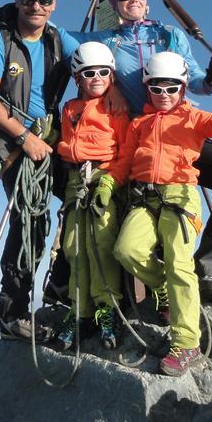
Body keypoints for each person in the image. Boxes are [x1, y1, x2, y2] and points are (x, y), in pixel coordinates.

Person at [61, 0, 212, 305]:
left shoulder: (169, 35)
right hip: (136, 137)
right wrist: (16, 14)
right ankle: (132, 293)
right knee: (122, 217)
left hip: (181, 131)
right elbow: (54, 35)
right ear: (113, 2)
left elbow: (193, 78)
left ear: (148, 0)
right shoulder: (102, 41)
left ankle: (209, 271)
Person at [107, 51, 212, 375]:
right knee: (127, 250)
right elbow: (125, 159)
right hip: (144, 198)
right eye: (156, 88)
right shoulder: (139, 123)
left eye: (171, 88)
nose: (163, 95)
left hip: (179, 196)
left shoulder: (193, 117)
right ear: (147, 88)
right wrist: (109, 182)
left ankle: (186, 343)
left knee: (180, 264)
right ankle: (166, 289)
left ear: (181, 88)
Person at [0, 0, 74, 340]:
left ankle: (61, 285)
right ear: (17, 0)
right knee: (30, 220)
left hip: (48, 138)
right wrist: (25, 137)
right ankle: (14, 313)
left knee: (84, 200)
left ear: (53, 5)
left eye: (44, 1)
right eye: (29, 0)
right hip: (12, 143)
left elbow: (99, 49)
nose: (36, 7)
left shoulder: (57, 39)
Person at [51, 42, 130, 352]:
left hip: (103, 178)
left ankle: (106, 310)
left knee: (101, 243)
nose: (96, 78)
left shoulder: (116, 108)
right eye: (88, 73)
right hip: (76, 181)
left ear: (111, 75)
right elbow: (69, 145)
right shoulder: (70, 108)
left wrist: (110, 182)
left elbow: (125, 152)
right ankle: (80, 310)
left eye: (103, 72)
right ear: (77, 78)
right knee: (72, 246)